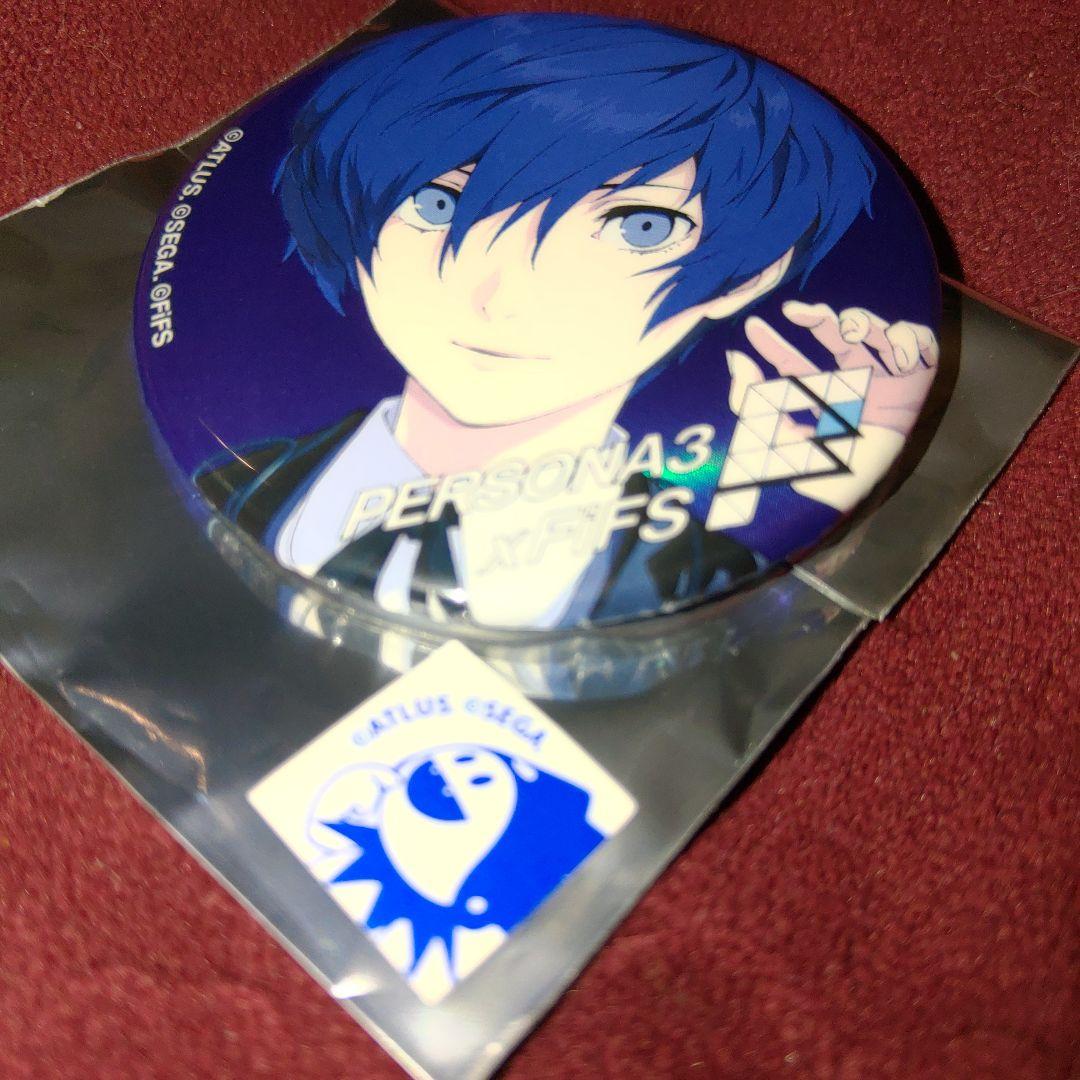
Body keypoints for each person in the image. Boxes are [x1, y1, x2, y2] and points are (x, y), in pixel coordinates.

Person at [197, 15, 938, 630]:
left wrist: (820, 470)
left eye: (640, 227)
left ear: (752, 274)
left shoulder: (708, 561)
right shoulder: (232, 479)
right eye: (439, 204)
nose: (498, 295)